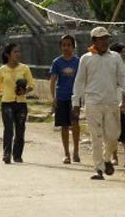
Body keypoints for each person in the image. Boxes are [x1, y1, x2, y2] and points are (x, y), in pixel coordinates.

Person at [72, 26, 125, 180]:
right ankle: (98, 168)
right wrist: (76, 102)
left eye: (106, 38)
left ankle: (106, 157)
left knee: (113, 135)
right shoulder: (86, 58)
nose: (104, 41)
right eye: (101, 38)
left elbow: (123, 77)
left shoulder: (115, 57)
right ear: (94, 41)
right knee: (96, 136)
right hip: (93, 102)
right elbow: (79, 81)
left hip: (111, 101)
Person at [0, 43, 34, 164]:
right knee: (8, 129)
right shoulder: (1, 70)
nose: (18, 54)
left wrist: (25, 91)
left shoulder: (24, 68)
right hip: (7, 103)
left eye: (19, 52)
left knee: (20, 130)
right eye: (15, 52)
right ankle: (7, 153)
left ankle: (17, 155)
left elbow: (32, 84)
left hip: (21, 103)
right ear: (8, 54)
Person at [49, 34, 80, 164]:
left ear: (73, 46)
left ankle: (76, 152)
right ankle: (66, 153)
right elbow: (53, 81)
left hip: (75, 98)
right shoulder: (57, 62)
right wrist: (53, 97)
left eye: (69, 45)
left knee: (75, 123)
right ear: (60, 47)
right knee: (64, 126)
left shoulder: (78, 61)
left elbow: (82, 79)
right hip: (61, 96)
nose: (66, 47)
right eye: (64, 45)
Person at [109, 42, 125, 168]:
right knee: (112, 133)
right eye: (121, 52)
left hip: (124, 105)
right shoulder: (108, 68)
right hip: (111, 104)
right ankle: (114, 157)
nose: (123, 54)